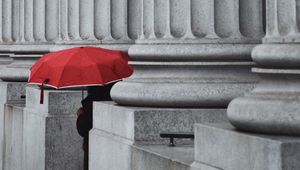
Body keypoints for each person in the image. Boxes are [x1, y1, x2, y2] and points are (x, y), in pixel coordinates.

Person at [76, 83, 115, 170]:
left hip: (93, 149)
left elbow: (83, 128)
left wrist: (81, 115)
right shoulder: (112, 98)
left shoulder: (92, 101)